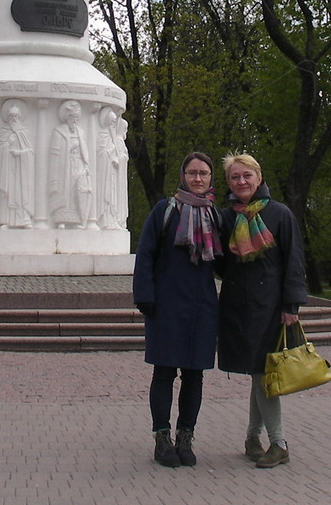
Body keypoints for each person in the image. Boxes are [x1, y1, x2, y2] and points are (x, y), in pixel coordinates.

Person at [216, 153, 308, 469]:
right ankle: (252, 438)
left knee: (264, 374)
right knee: (257, 373)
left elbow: (294, 262)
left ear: (258, 177)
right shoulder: (226, 218)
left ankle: (278, 443)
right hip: (238, 307)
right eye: (234, 177)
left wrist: (291, 306)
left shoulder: (280, 214)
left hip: (270, 308)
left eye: (246, 176)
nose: (241, 182)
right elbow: (219, 264)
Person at [132, 152, 222, 468]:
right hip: (167, 305)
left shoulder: (215, 215)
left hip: (202, 307)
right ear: (183, 175)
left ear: (211, 178)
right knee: (165, 372)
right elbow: (145, 254)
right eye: (192, 172)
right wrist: (145, 297)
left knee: (195, 375)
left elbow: (225, 264)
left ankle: (186, 437)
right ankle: (162, 438)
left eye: (204, 173)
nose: (198, 178)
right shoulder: (165, 211)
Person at [0, 100, 34, 227]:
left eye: (16, 116)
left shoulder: (23, 132)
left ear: (20, 117)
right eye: (11, 116)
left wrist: (21, 154)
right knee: (7, 193)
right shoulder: (4, 132)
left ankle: (24, 220)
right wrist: (7, 146)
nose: (14, 119)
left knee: (21, 192)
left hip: (20, 170)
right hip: (7, 168)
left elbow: (30, 153)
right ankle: (5, 221)